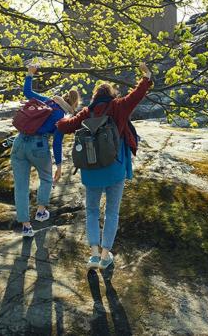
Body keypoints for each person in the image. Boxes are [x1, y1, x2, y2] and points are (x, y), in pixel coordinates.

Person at [56, 62, 152, 270]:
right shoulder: (118, 106)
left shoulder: (86, 113)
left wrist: (68, 112)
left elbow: (63, 126)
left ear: (94, 97)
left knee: (91, 211)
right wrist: (146, 77)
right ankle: (105, 256)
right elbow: (137, 95)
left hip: (91, 171)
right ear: (111, 94)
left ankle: (93, 255)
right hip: (115, 168)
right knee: (112, 212)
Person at [11, 64, 80, 238]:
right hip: (39, 146)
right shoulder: (62, 117)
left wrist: (30, 73)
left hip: (19, 142)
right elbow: (57, 142)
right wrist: (58, 164)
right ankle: (41, 211)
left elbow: (27, 93)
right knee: (46, 178)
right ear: (73, 105)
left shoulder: (48, 100)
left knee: (20, 186)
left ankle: (26, 227)